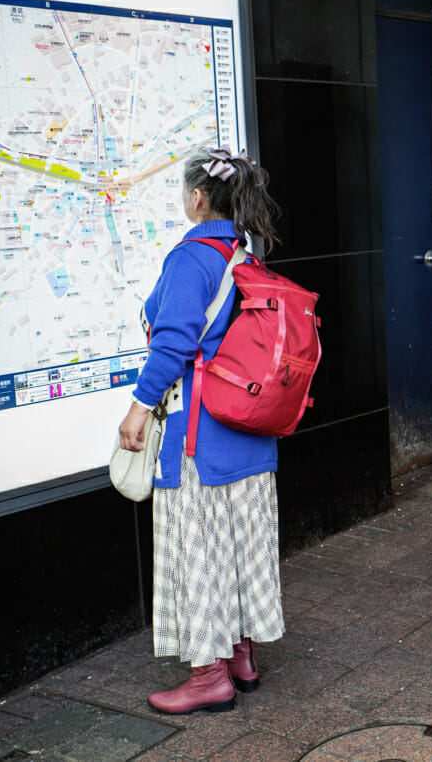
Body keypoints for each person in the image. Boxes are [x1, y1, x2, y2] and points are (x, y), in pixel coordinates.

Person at [117, 147, 284, 715]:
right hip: (250, 435)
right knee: (235, 549)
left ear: (196, 198)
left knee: (199, 554)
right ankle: (240, 655)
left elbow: (173, 343)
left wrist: (138, 410)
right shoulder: (243, 257)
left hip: (199, 442)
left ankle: (208, 674)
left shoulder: (192, 258)